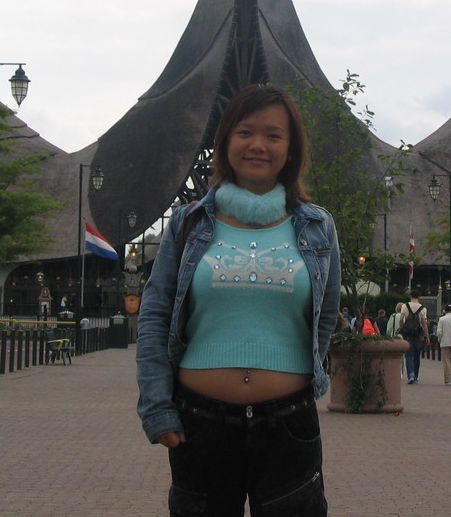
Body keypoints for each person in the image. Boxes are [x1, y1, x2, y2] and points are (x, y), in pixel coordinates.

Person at [136, 84, 341, 516]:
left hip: (288, 424)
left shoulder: (318, 227)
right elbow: (154, 315)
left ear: (291, 148)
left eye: (273, 135)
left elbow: (325, 316)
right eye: (245, 132)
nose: (258, 145)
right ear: (226, 142)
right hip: (200, 424)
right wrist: (157, 406)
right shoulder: (188, 223)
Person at [400, 290, 429, 384]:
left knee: (408, 355)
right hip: (418, 335)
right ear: (419, 297)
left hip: (408, 333)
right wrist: (427, 336)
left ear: (410, 296)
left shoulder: (405, 306)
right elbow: (424, 324)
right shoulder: (423, 308)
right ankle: (416, 376)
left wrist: (402, 328)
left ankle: (410, 375)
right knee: (417, 355)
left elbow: (401, 319)